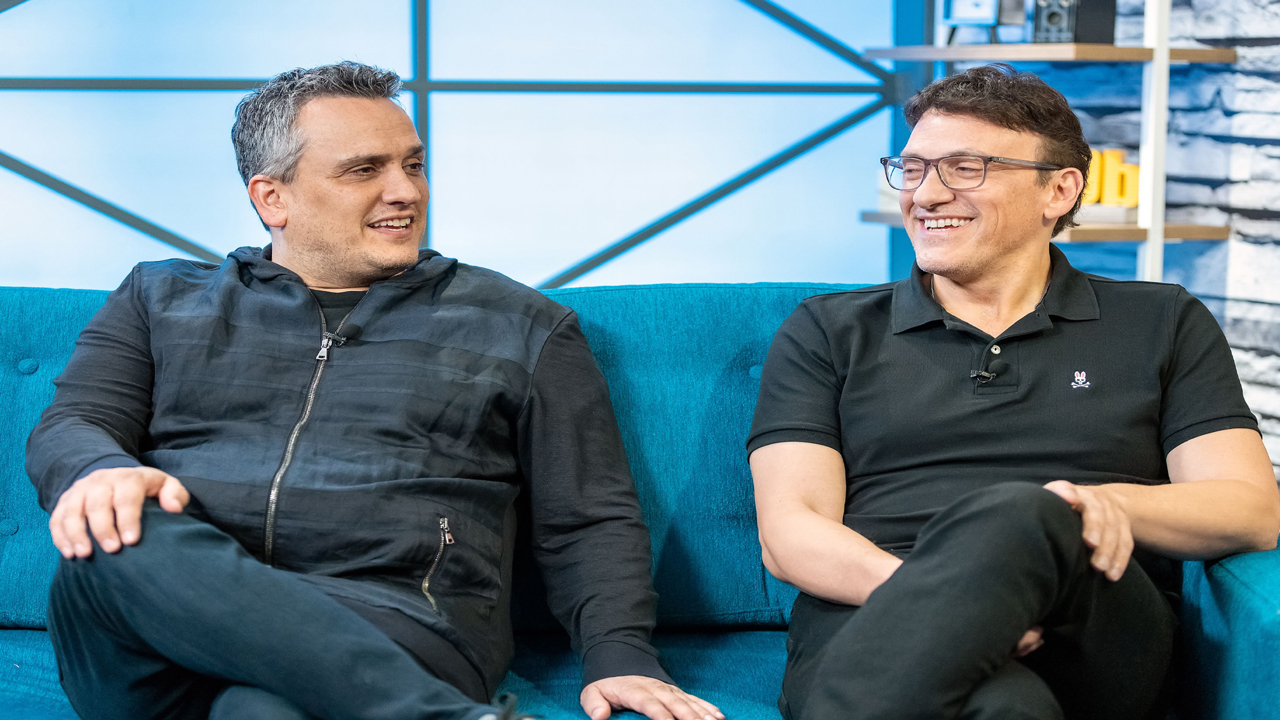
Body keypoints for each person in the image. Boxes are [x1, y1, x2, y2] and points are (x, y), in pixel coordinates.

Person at [27, 61, 722, 720]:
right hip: (165, 627)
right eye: (365, 170)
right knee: (115, 532)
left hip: (397, 620)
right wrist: (101, 470)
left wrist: (621, 656)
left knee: (259, 710)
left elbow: (587, 516)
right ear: (272, 198)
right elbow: (75, 422)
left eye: (413, 165)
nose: (406, 192)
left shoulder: (520, 324)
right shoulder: (159, 298)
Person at [748, 64, 1280, 720]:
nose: (926, 195)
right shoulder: (828, 331)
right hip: (875, 608)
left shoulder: (1162, 321)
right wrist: (954, 600)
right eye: (912, 169)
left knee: (1027, 511)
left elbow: (1248, 509)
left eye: (964, 168)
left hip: (1091, 628)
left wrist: (1091, 504)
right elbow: (789, 531)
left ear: (1059, 190)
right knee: (1006, 707)